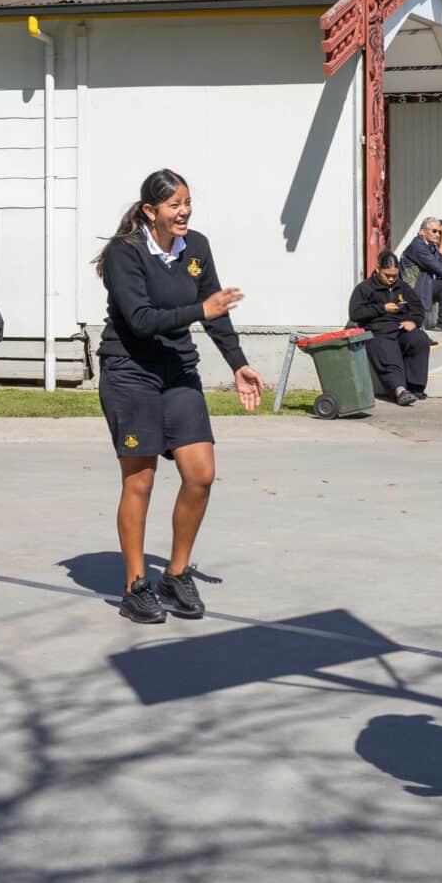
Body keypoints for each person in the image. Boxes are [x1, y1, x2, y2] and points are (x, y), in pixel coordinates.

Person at [96, 168, 263, 625]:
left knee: (201, 474)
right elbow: (141, 320)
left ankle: (175, 573)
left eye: (188, 202)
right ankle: (136, 585)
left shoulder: (197, 247)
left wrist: (238, 363)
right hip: (130, 370)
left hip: (177, 370)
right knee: (141, 480)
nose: (184, 211)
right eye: (174, 205)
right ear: (151, 211)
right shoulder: (123, 254)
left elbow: (215, 311)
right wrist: (200, 309)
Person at [348, 251, 431, 405]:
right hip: (378, 331)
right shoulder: (364, 288)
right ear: (378, 269)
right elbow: (355, 313)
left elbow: (418, 308)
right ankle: (399, 390)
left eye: (395, 275)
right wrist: (382, 309)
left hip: (401, 329)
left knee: (419, 339)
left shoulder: (403, 287)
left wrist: (413, 322)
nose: (392, 279)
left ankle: (415, 388)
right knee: (387, 352)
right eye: (387, 275)